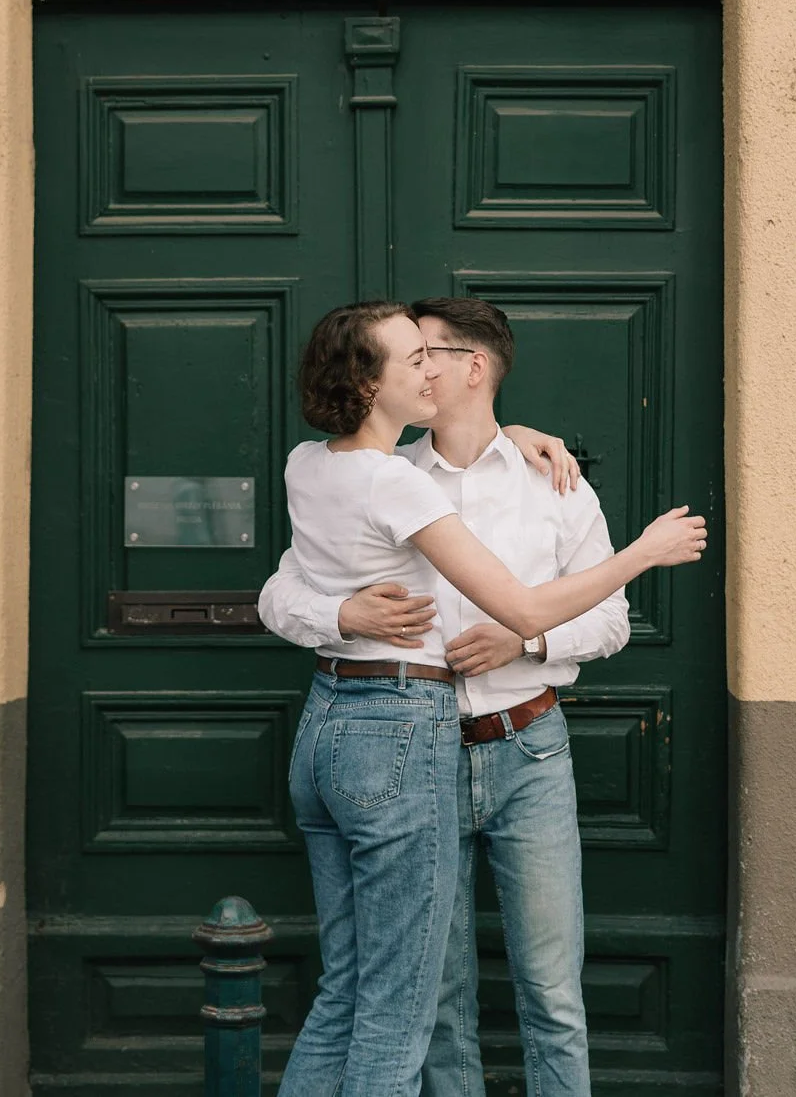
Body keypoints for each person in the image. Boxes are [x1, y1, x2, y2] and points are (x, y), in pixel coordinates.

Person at [260, 300, 706, 1097]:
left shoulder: (554, 481)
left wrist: (526, 641)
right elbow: (280, 593)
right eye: (411, 356)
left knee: (550, 989)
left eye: (434, 353)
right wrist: (339, 613)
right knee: (427, 998)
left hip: (524, 747)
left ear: (473, 367)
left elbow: (607, 624)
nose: (423, 368)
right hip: (416, 750)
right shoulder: (394, 474)